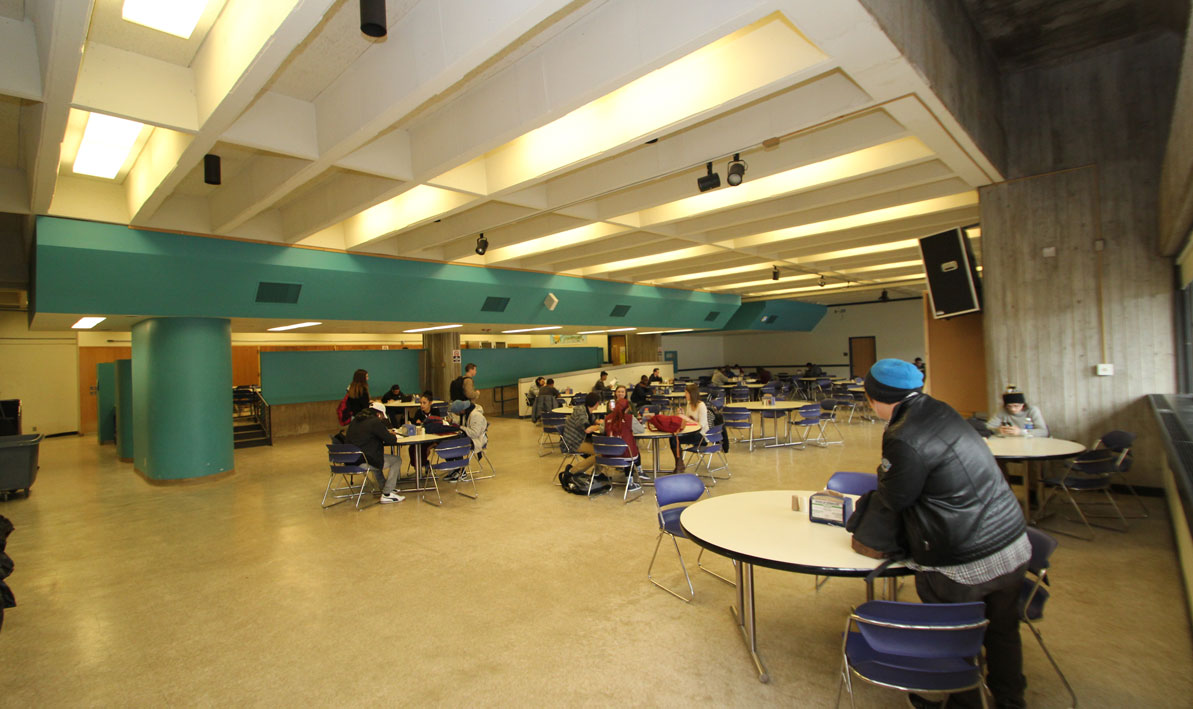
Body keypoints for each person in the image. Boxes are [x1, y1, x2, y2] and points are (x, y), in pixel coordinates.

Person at [854, 359, 1028, 709]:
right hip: (1011, 541)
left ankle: (964, 704)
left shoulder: (904, 434)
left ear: (875, 398)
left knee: (955, 638)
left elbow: (897, 497)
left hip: (965, 559)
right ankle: (1010, 699)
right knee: (1003, 630)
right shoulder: (941, 409)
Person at [345, 402, 405, 504]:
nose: (382, 420)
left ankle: (383, 487)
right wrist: (392, 434)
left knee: (376, 458)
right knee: (396, 460)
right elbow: (391, 440)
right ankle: (387, 493)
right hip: (364, 460)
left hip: (351, 459)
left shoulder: (355, 420)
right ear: (379, 414)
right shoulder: (375, 422)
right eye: (382, 417)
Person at [561, 392, 603, 476]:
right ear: (597, 403)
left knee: (602, 448)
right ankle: (573, 471)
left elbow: (595, 421)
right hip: (573, 443)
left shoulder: (586, 410)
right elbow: (587, 429)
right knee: (601, 453)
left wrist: (602, 422)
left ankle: (597, 473)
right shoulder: (580, 411)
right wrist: (602, 426)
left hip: (581, 440)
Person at [670, 383, 709, 474]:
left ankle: (679, 466)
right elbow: (686, 422)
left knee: (675, 439)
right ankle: (679, 464)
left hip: (702, 436)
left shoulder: (701, 406)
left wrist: (687, 418)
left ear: (692, 394)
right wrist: (682, 415)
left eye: (686, 393)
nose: (685, 395)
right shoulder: (689, 404)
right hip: (692, 433)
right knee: (673, 438)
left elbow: (701, 425)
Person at [604, 398, 641, 491]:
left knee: (626, 450)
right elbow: (641, 430)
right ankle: (631, 481)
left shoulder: (607, 418)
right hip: (625, 455)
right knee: (632, 451)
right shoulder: (629, 418)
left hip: (609, 455)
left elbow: (602, 430)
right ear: (627, 409)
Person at [449, 399, 488, 480]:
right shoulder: (466, 414)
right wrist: (452, 422)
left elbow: (474, 433)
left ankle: (461, 471)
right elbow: (463, 425)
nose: (456, 415)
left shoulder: (476, 415)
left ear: (462, 410)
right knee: (449, 442)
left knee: (457, 444)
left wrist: (460, 427)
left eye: (456, 413)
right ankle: (455, 468)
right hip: (469, 437)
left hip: (477, 440)